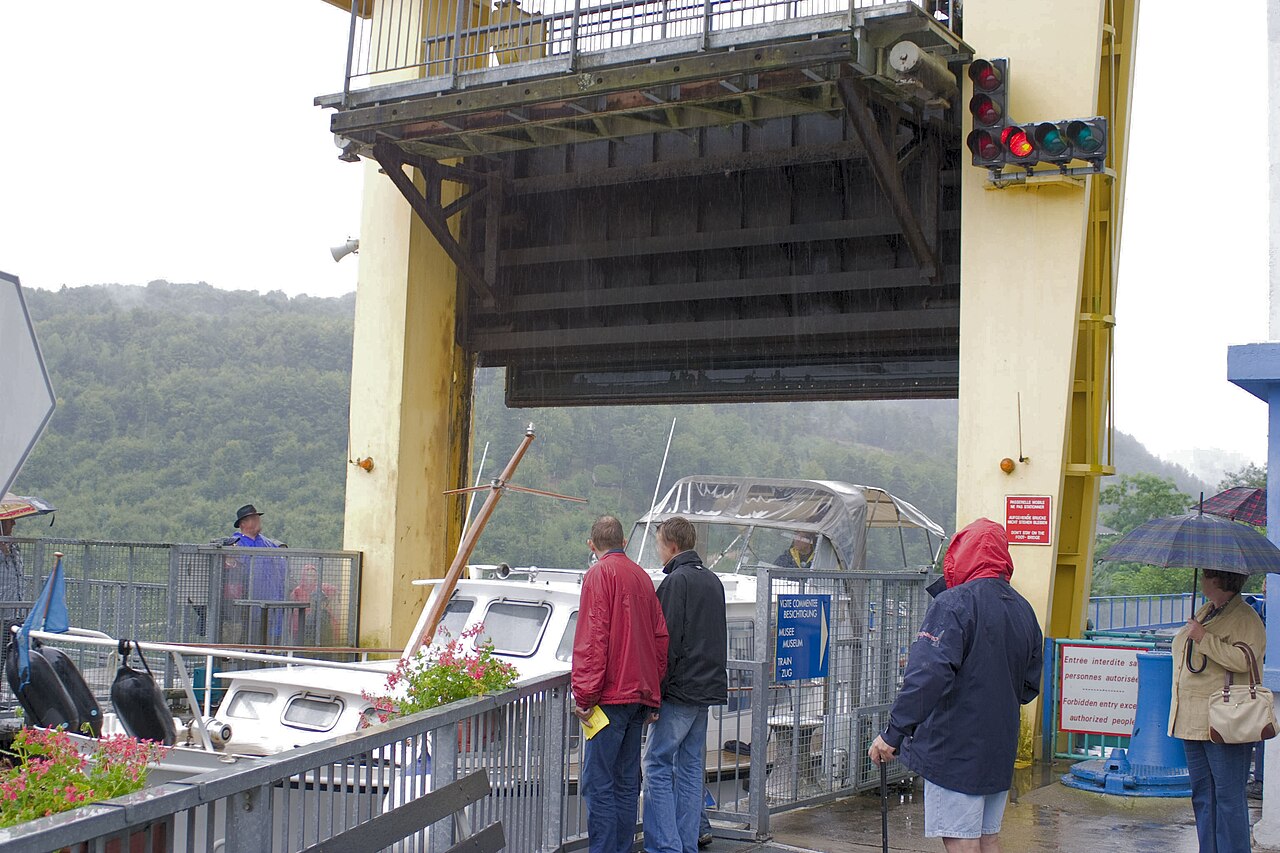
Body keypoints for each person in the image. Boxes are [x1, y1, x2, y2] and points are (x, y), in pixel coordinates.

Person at [868, 518, 1042, 853]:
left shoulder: (953, 604)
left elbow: (926, 676)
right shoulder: (1024, 610)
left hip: (955, 747)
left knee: (961, 837)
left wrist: (893, 734)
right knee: (987, 836)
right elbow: (1028, 686)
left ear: (960, 554)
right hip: (998, 746)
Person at [572, 516, 669, 853]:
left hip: (609, 697)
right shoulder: (642, 577)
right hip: (639, 696)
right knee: (627, 782)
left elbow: (593, 637)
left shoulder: (598, 575)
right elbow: (659, 638)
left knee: (598, 783)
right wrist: (653, 695)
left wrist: (584, 694)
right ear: (624, 542)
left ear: (592, 545)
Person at [643, 516, 727, 853]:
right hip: (704, 692)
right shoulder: (713, 581)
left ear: (672, 546)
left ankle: (665, 846)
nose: (658, 550)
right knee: (691, 769)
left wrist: (654, 694)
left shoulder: (675, 582)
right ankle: (686, 844)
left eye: (659, 544)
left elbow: (665, 645)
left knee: (657, 765)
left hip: (678, 691)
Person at [1169, 568, 1266, 852]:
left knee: (1228, 797)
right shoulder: (1207, 610)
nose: (1201, 581)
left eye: (1206, 576)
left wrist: (1204, 639)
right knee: (1203, 795)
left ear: (1218, 580)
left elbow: (1244, 659)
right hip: (1193, 718)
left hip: (1225, 721)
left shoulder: (1246, 617)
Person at [221, 504, 288, 643]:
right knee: (250, 643)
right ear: (243, 523)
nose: (258, 520)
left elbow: (283, 569)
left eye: (257, 517)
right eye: (253, 518)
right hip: (248, 607)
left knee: (273, 644)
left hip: (274, 603)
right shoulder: (235, 545)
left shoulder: (268, 543)